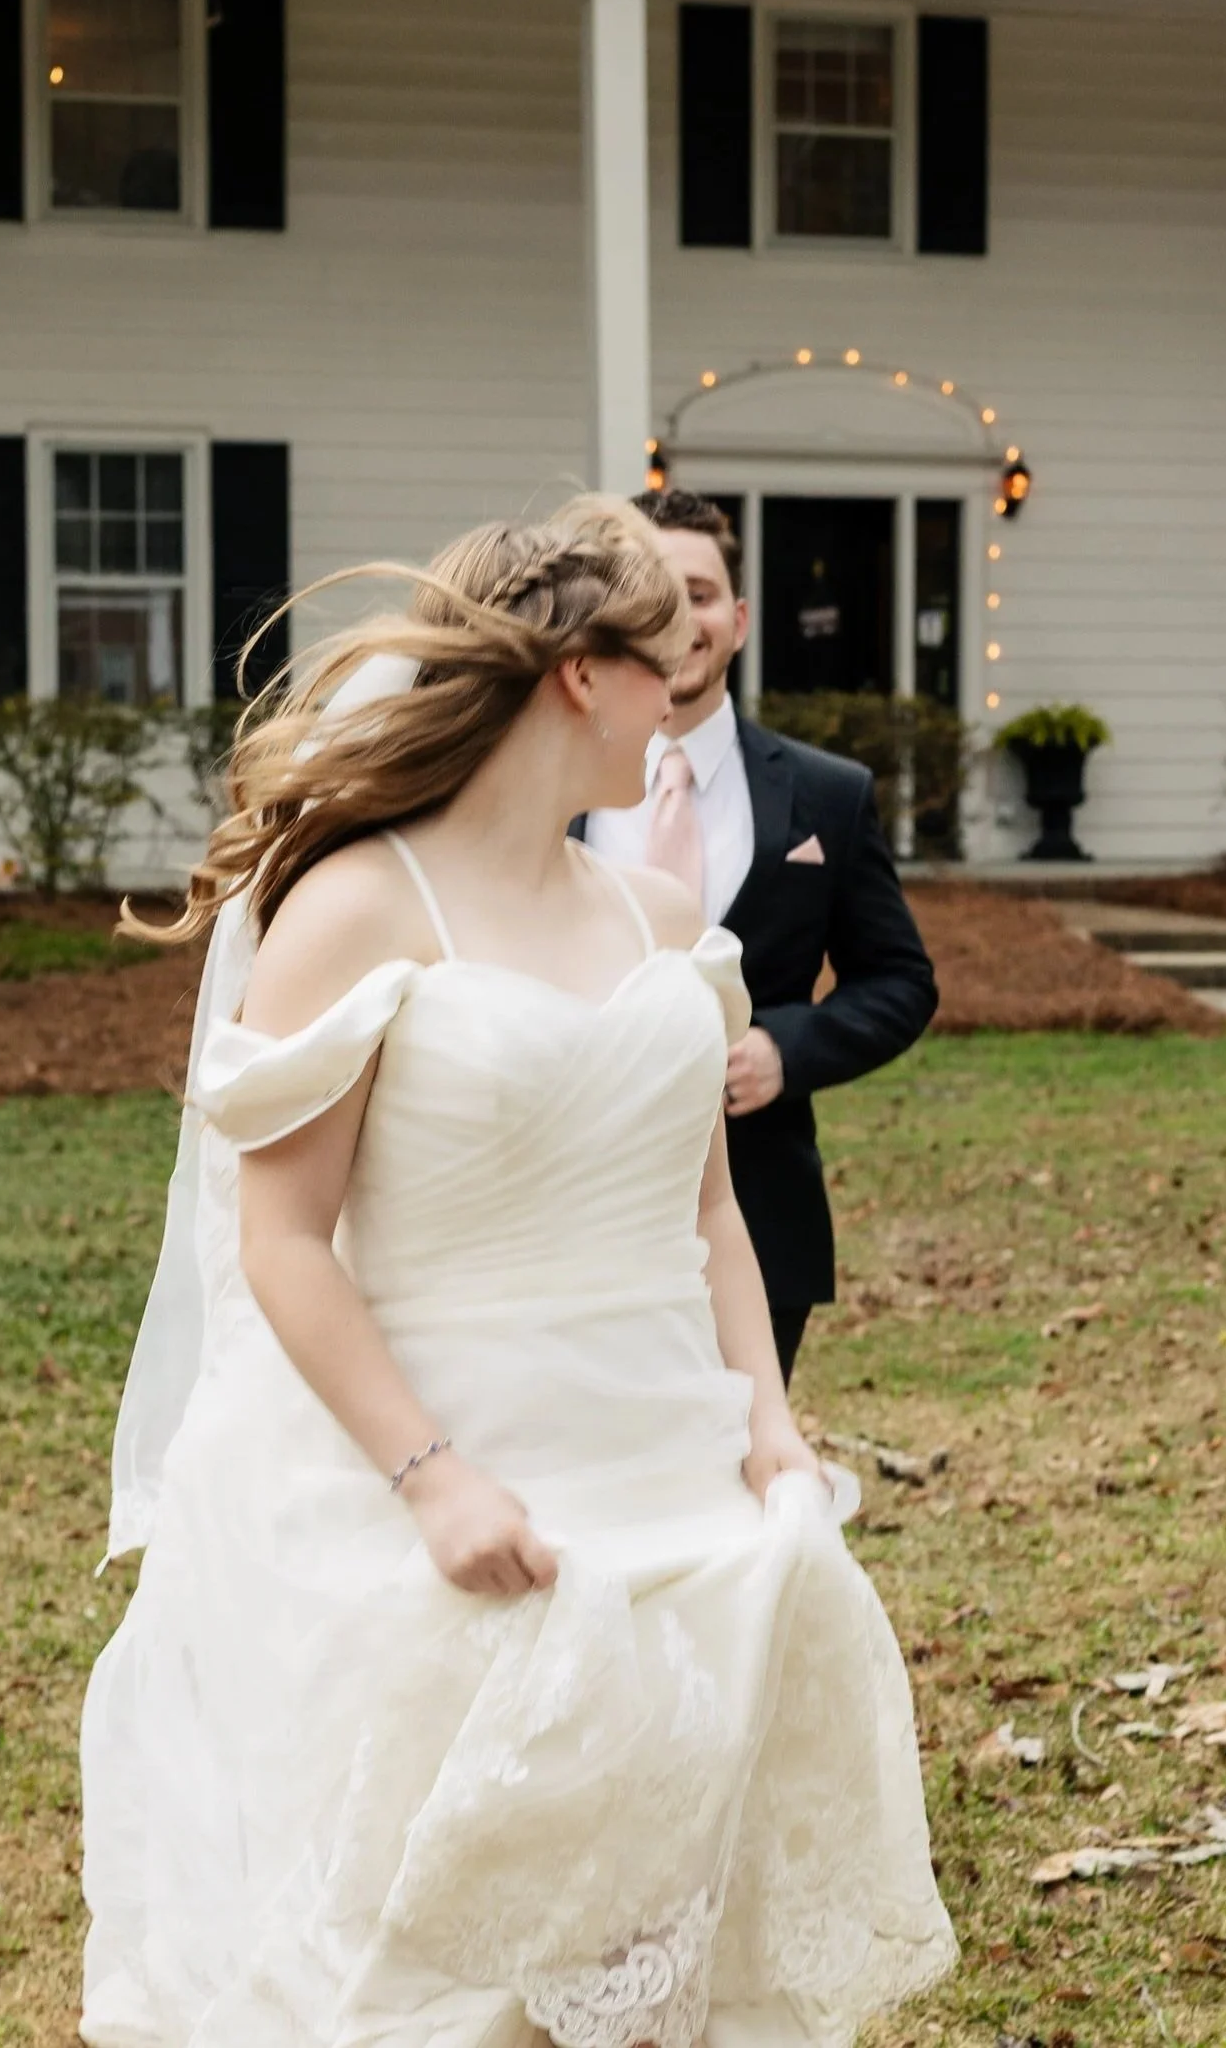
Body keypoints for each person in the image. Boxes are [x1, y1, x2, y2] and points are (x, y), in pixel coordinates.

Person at [82, 496, 954, 2048]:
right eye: (666, 659)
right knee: (441, 1956)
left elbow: (706, 1218)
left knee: (653, 1915)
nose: (687, 689)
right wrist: (433, 1476)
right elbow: (280, 1240)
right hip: (445, 1465)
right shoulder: (351, 912)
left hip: (664, 1460)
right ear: (578, 676)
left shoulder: (665, 917)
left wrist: (764, 1421)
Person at [581, 490, 939, 1384]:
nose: (679, 618)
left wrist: (789, 1046)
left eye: (698, 593)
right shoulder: (554, 787)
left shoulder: (828, 795)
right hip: (572, 1202)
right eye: (652, 593)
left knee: (742, 1476)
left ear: (736, 619)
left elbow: (899, 979)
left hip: (758, 1211)